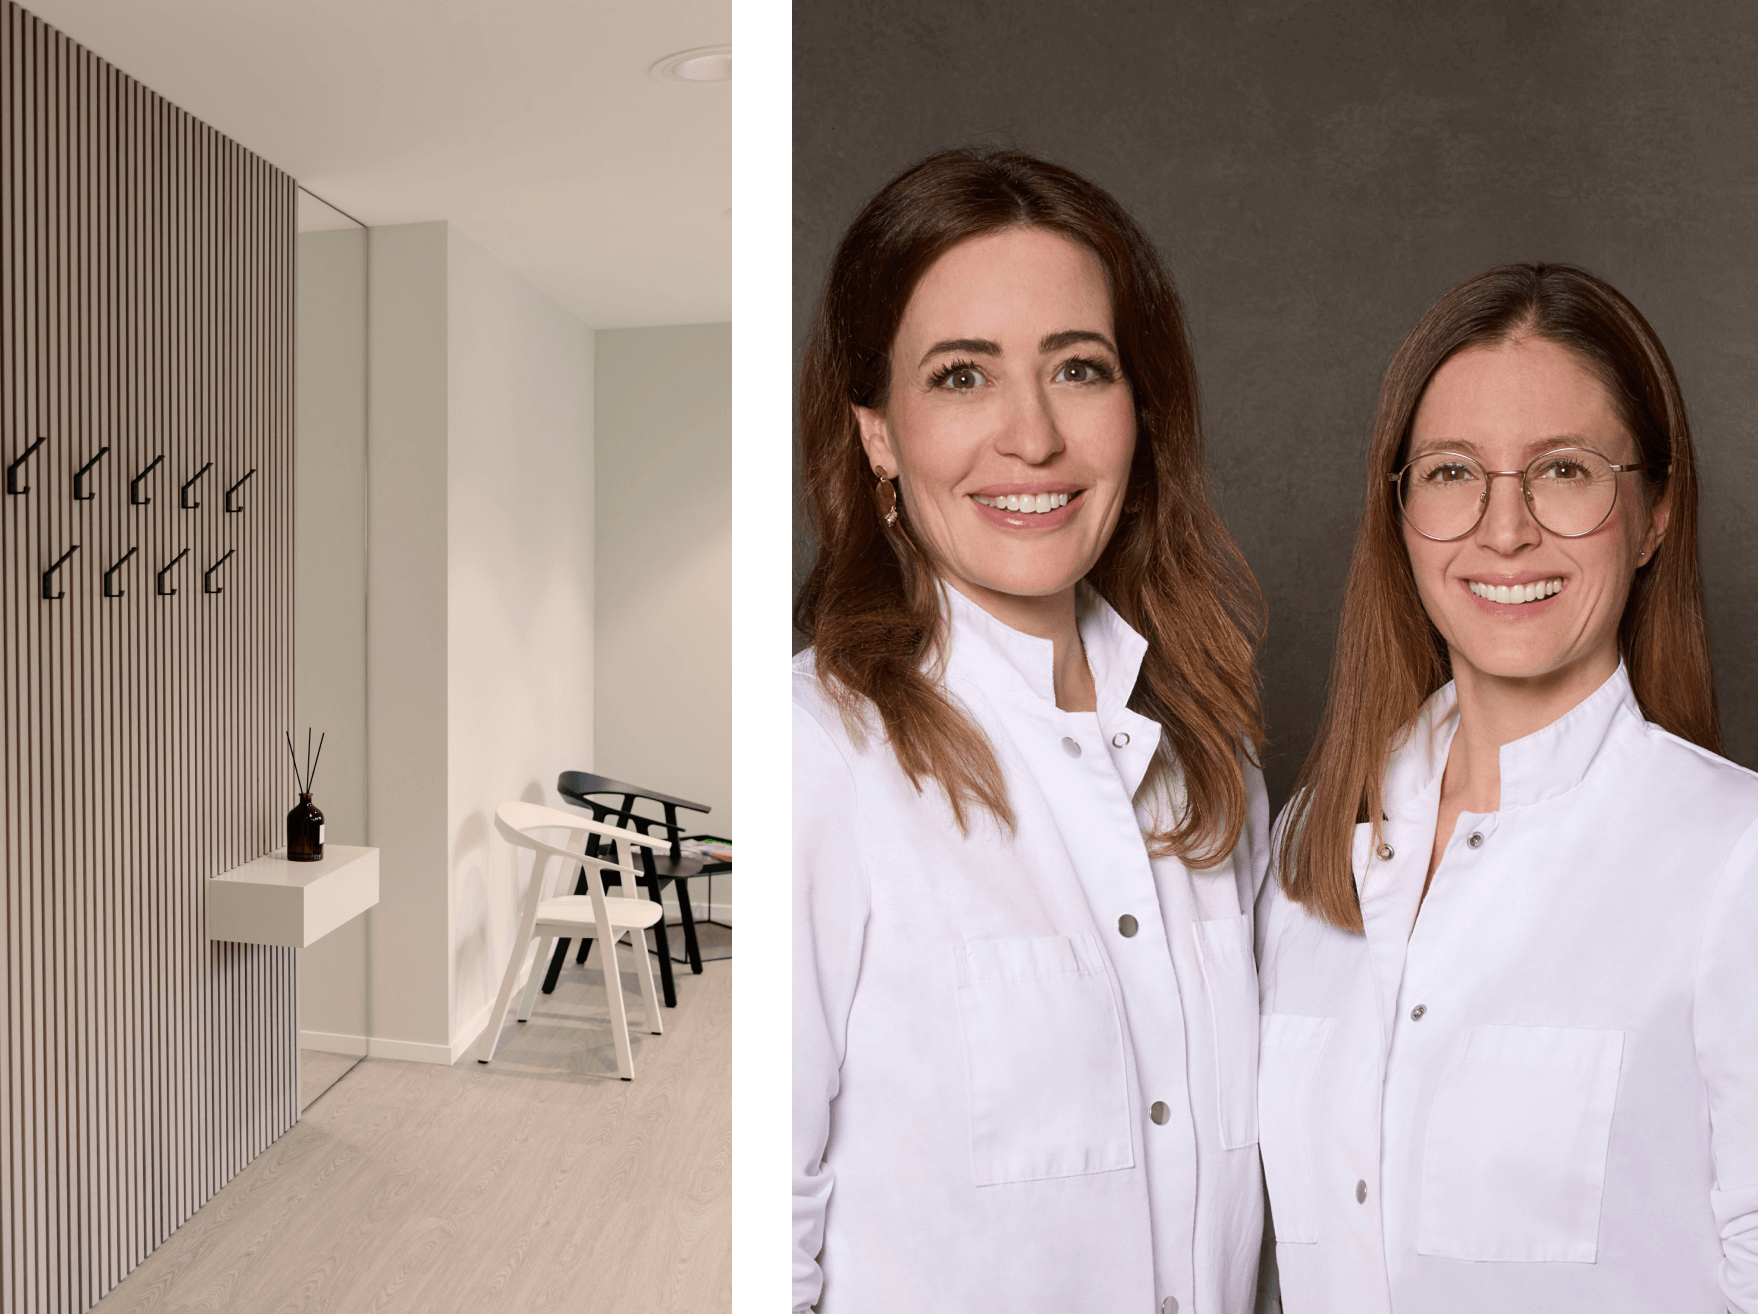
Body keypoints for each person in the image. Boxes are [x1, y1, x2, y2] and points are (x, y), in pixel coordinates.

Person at [792, 148, 1272, 1314]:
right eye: (962, 376)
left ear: (1140, 416)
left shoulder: (1213, 766)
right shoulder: (819, 752)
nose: (1033, 437)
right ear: (878, 434)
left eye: (1080, 369)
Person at [1256, 263, 1758, 1312]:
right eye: (1451, 473)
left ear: (1656, 512)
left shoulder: (1732, 864)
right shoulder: (1309, 850)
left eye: (1563, 471)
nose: (1504, 529)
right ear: (1399, 512)